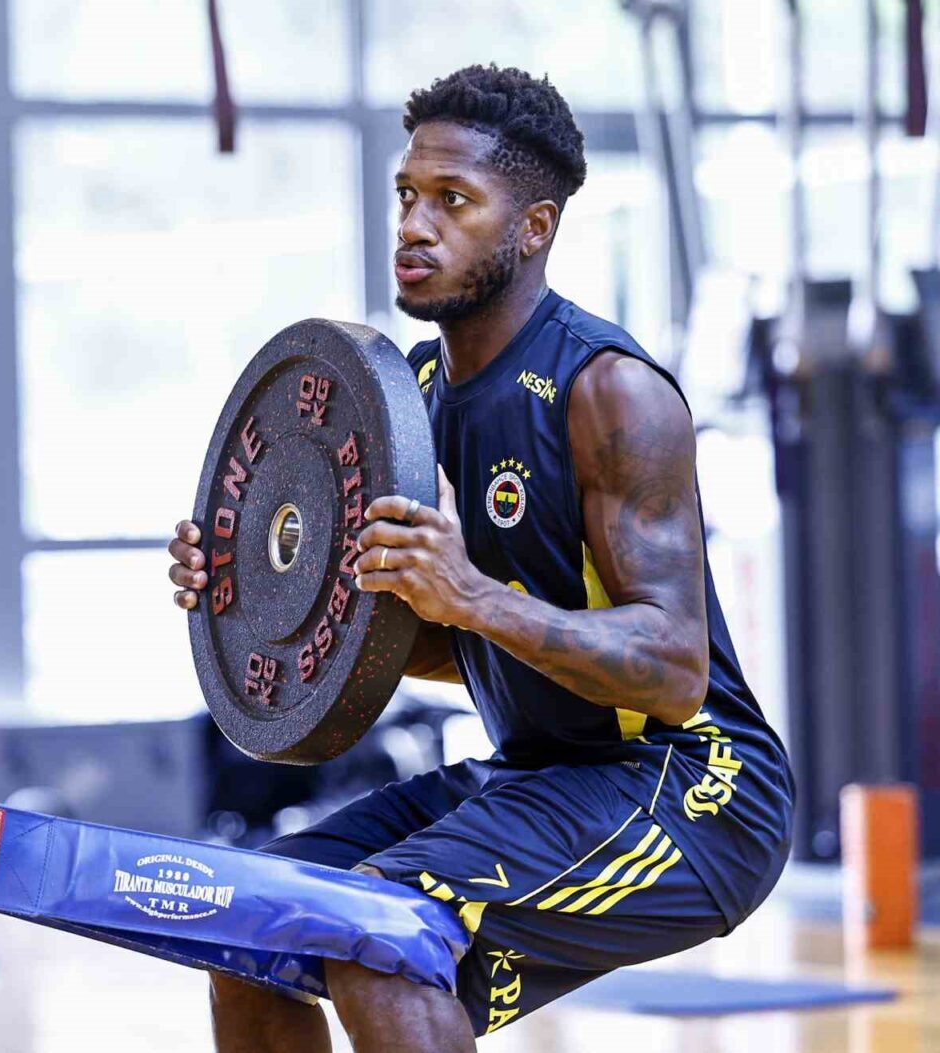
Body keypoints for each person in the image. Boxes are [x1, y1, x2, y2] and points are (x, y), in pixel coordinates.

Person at [168, 64, 793, 1053]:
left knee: (379, 933)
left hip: (689, 788)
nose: (414, 225)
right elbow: (436, 643)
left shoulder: (608, 392)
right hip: (536, 774)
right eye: (406, 196)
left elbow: (674, 673)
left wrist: (468, 594)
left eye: (452, 201)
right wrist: (249, 597)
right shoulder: (402, 401)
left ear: (532, 227)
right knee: (254, 919)